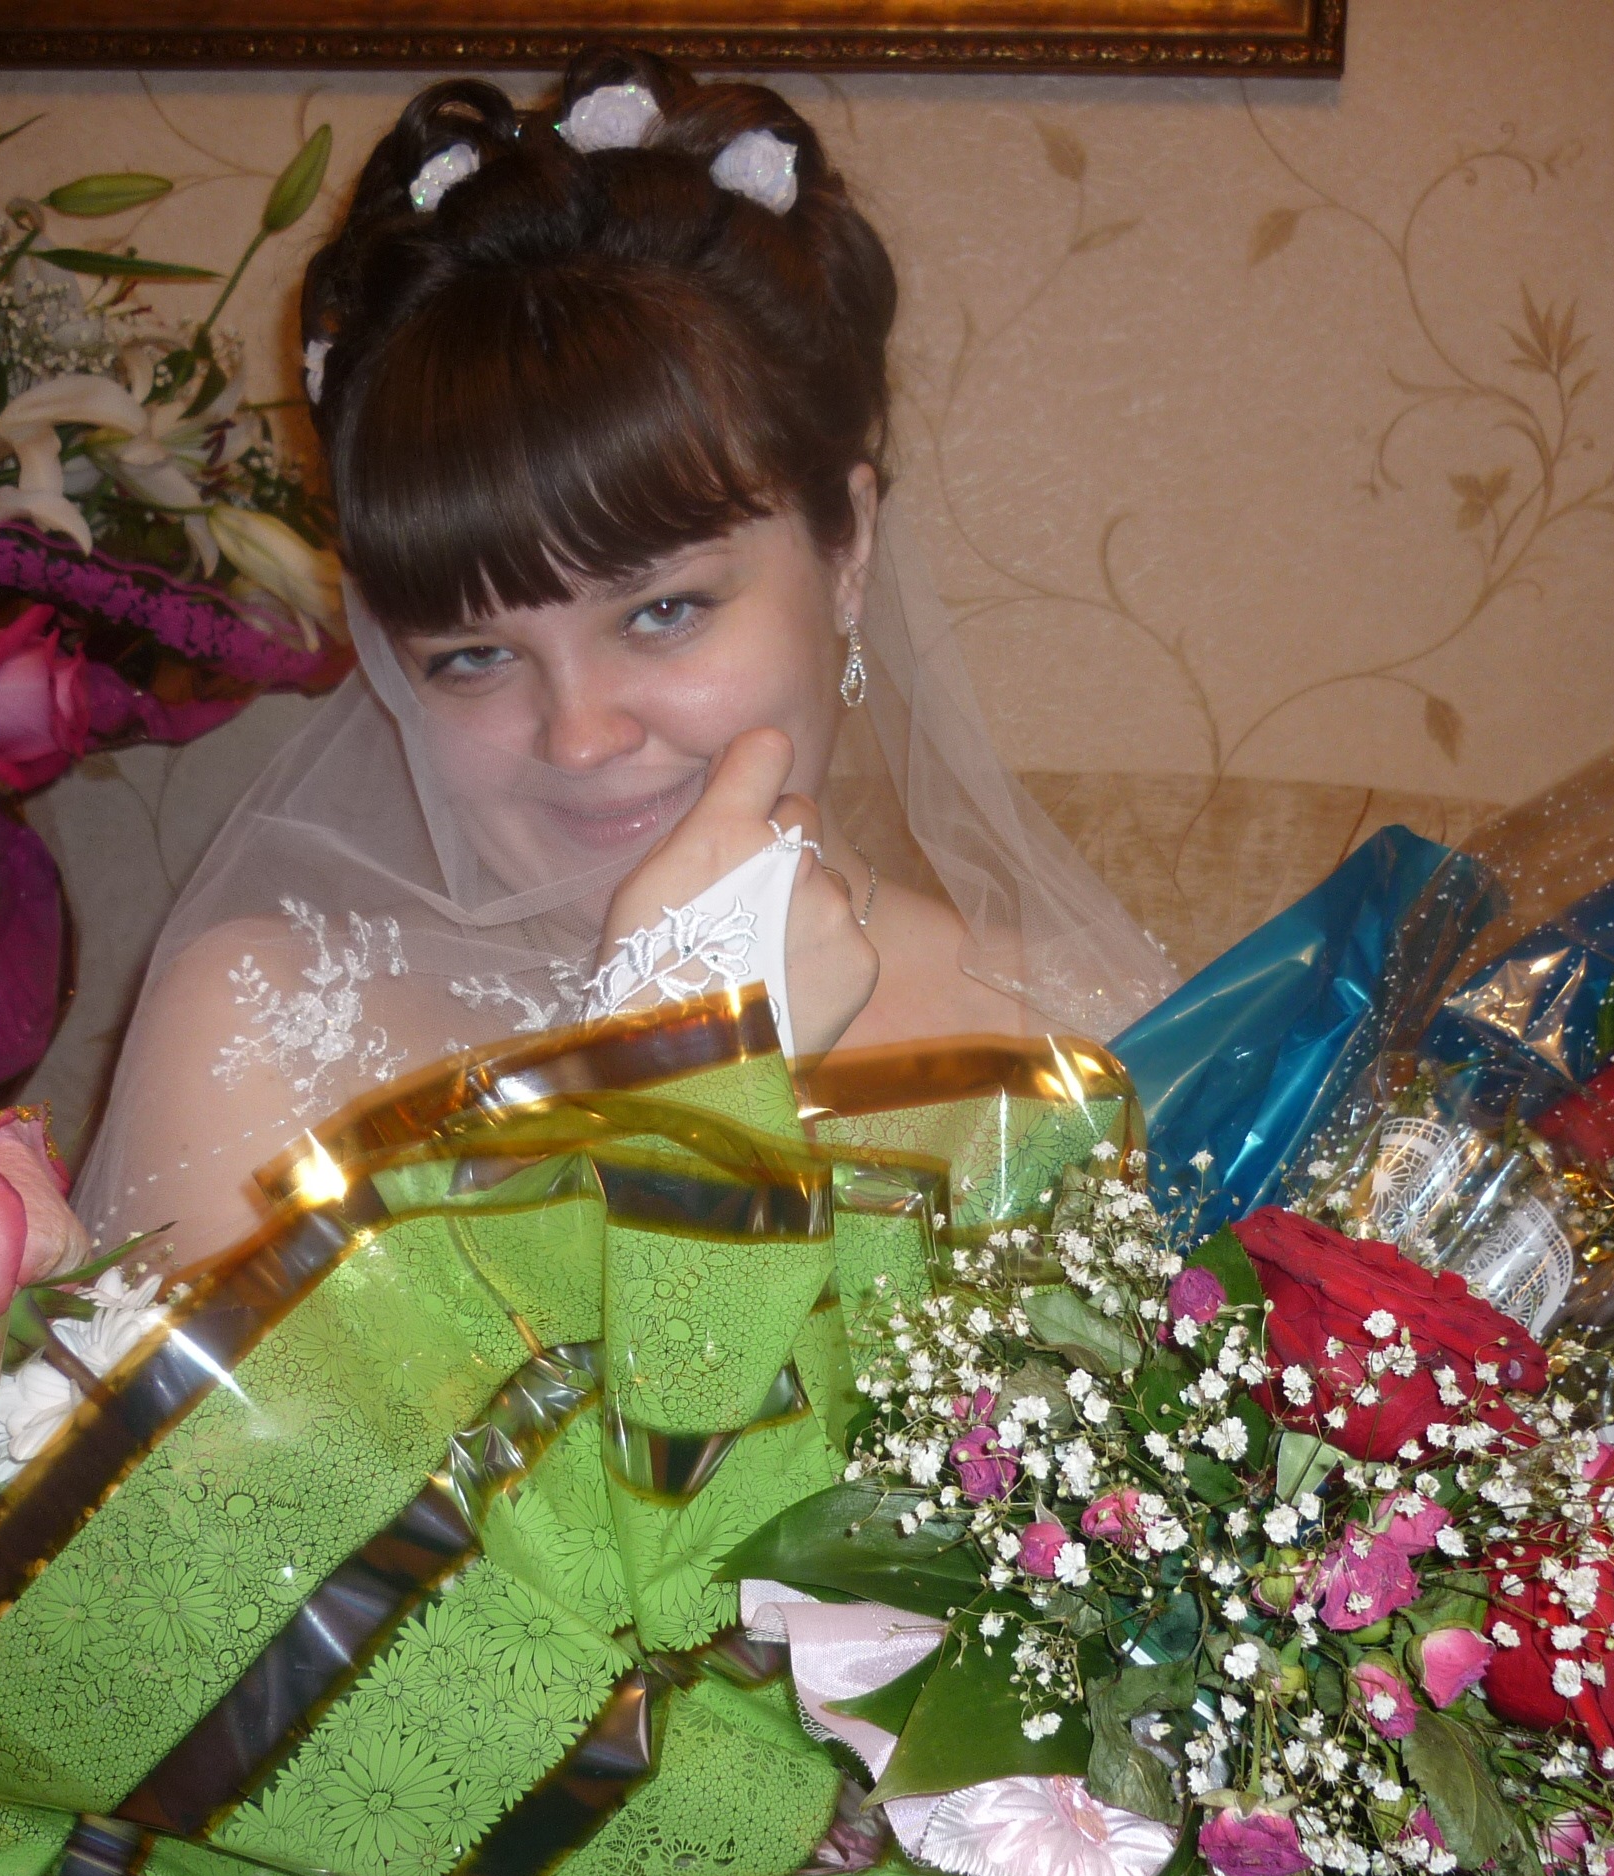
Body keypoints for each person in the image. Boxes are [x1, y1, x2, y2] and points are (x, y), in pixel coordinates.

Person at [72, 47, 1175, 1264]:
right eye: (472, 656)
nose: (581, 737)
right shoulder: (260, 1041)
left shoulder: (1097, 1053)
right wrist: (686, 1094)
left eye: (661, 612)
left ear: (847, 545)